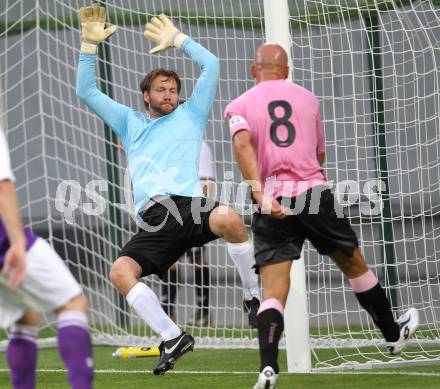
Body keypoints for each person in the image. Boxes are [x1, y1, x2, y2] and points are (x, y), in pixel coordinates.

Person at [76, 4, 260, 375]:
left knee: (230, 217)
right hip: (157, 219)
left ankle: (253, 296)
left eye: (173, 90)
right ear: (146, 95)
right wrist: (88, 46)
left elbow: (212, 65)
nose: (169, 95)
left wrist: (179, 40)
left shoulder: (191, 114)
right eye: (161, 90)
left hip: (189, 208)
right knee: (120, 272)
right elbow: (87, 91)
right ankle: (172, 335)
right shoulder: (130, 124)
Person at [225, 43, 419, 389]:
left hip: (272, 200)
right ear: (286, 71)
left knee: (273, 291)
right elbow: (320, 153)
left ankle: (268, 368)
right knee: (354, 264)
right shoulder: (308, 99)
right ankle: (392, 333)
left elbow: (242, 146)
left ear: (254, 70)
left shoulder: (239, 105)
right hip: (314, 195)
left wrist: (259, 192)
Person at [0, 126, 93, 389]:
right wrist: (17, 242)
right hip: (4, 240)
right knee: (72, 304)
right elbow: (2, 185)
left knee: (25, 315)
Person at [161, 140, 215, 327]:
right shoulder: (166, 141)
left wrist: (201, 213)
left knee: (197, 260)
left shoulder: (200, 145)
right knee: (170, 261)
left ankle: (203, 311)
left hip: (194, 209)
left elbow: (207, 182)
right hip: (169, 207)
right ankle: (167, 312)